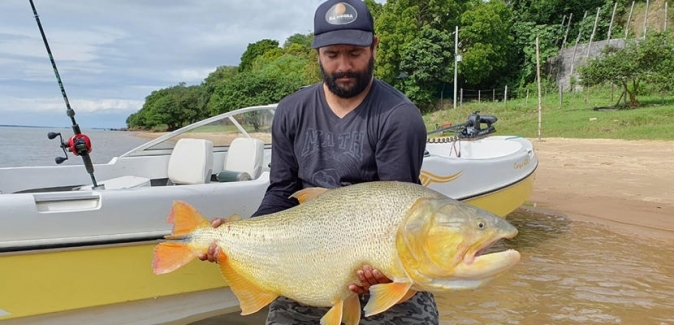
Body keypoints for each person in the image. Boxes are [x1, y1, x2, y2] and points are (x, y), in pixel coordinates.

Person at [200, 0, 438, 323]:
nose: (343, 66)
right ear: (317, 54)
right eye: (332, 54)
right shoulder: (291, 111)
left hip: (381, 269)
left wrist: (382, 271)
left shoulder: (399, 118)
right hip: (307, 260)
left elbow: (398, 218)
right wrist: (239, 236)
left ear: (374, 47)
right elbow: (281, 193)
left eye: (354, 53)